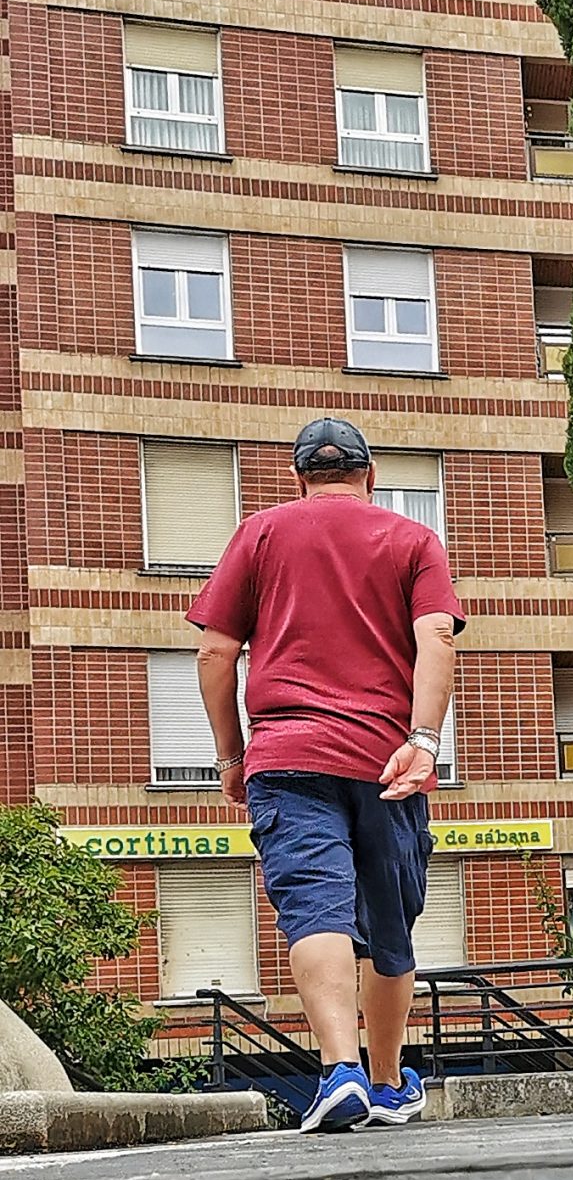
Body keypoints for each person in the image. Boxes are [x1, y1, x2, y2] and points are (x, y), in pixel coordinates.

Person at [188, 416, 463, 1132]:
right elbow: (436, 634)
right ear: (370, 477)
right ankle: (386, 1081)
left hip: (287, 756)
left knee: (316, 907)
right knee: (389, 924)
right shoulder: (412, 540)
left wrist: (231, 757)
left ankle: (338, 1070)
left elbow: (216, 655)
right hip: (387, 761)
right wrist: (425, 741)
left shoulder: (261, 533)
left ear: (298, 477)